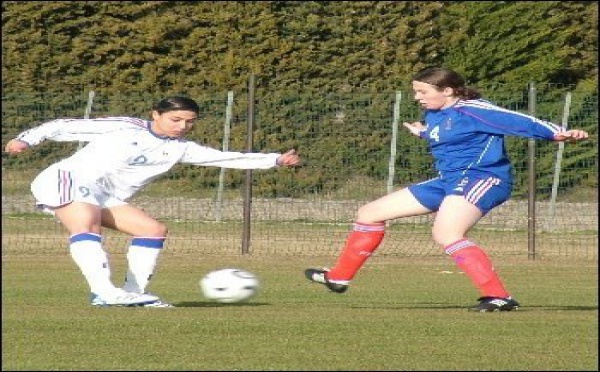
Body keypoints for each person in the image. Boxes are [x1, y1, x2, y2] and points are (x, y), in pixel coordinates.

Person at [304, 67, 589, 312]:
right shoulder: (436, 115)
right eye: (416, 92)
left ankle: (500, 297)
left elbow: (519, 121)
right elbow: (450, 135)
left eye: (423, 92)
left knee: (446, 233)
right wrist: (424, 132)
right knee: (369, 213)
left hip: (483, 178)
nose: (417, 97)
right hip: (449, 180)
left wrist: (557, 132)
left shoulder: (473, 109)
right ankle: (338, 278)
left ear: (449, 90)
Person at [5, 96, 301, 308]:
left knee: (152, 230)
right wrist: (27, 139)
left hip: (100, 193)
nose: (183, 126)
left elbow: (227, 157)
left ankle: (133, 294)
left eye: (189, 122)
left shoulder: (181, 149)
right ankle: (105, 291)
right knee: (86, 224)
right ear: (155, 114)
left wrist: (275, 159)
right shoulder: (125, 126)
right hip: (68, 178)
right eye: (176, 119)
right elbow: (63, 126)